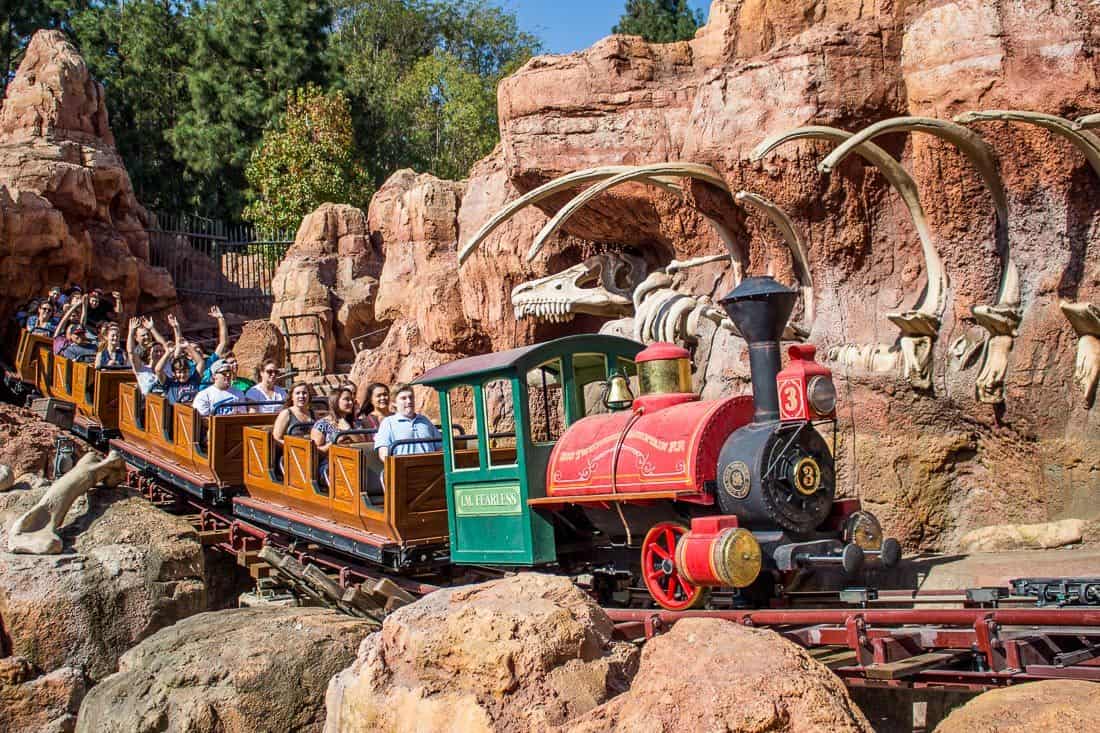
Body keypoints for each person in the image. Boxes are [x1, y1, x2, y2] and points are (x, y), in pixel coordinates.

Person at [374, 384, 442, 459]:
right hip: (403, 468)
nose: (409, 401)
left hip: (430, 467)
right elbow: (384, 454)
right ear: (394, 403)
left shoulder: (424, 421)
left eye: (411, 397)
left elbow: (440, 448)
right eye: (403, 398)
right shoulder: (388, 423)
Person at [310, 386, 362, 482]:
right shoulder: (322, 424)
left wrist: (349, 430)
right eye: (347, 399)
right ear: (335, 401)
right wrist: (333, 444)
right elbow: (316, 452)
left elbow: (363, 445)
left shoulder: (355, 423)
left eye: (351, 400)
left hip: (354, 461)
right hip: (330, 464)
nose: (351, 403)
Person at [128, 317, 166, 395]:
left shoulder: (165, 363)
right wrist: (131, 331)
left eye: (148, 334)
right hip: (147, 401)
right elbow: (131, 352)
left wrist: (152, 328)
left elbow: (164, 345)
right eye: (143, 335)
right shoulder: (141, 368)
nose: (146, 337)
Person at [272, 382, 315, 446]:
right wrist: (295, 445)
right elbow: (276, 439)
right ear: (292, 397)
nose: (301, 396)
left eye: (304, 393)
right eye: (297, 393)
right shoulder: (286, 414)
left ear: (309, 396)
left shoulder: (313, 413)